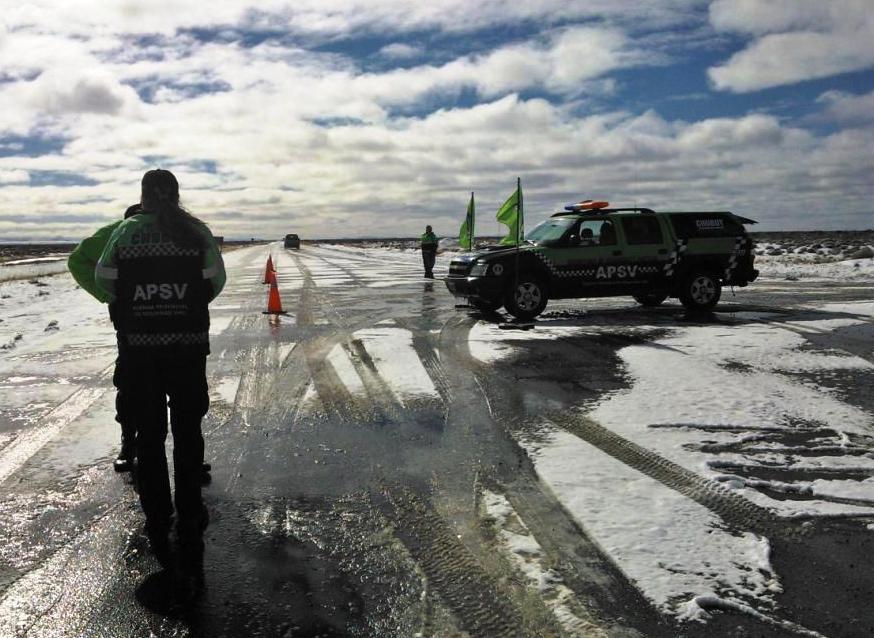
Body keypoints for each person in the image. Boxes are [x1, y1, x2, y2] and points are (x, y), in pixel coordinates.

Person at [95, 169, 226, 564]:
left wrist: (138, 304)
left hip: (140, 351)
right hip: (187, 347)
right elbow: (215, 281)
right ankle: (190, 512)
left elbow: (104, 279)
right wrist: (182, 304)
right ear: (176, 194)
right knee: (188, 431)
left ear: (143, 195)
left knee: (149, 436)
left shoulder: (126, 231)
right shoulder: (196, 231)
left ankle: (157, 516)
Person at [69, 205, 214, 477]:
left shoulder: (179, 229)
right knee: (132, 389)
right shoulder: (117, 232)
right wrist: (110, 296)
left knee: (183, 400)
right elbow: (78, 260)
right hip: (137, 326)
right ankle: (129, 445)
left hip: (172, 324)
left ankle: (188, 463)